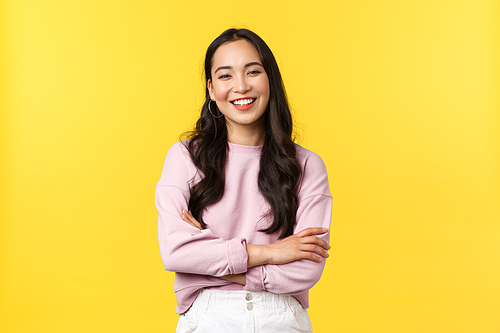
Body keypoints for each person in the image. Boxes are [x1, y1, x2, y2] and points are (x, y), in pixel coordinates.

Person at [156, 28, 332, 333]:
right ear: (211, 89)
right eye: (225, 76)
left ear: (270, 80)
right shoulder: (184, 157)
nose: (241, 86)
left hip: (281, 317)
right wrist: (272, 252)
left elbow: (306, 269)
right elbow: (175, 252)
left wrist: (210, 263)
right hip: (208, 317)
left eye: (252, 71)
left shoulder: (307, 165)